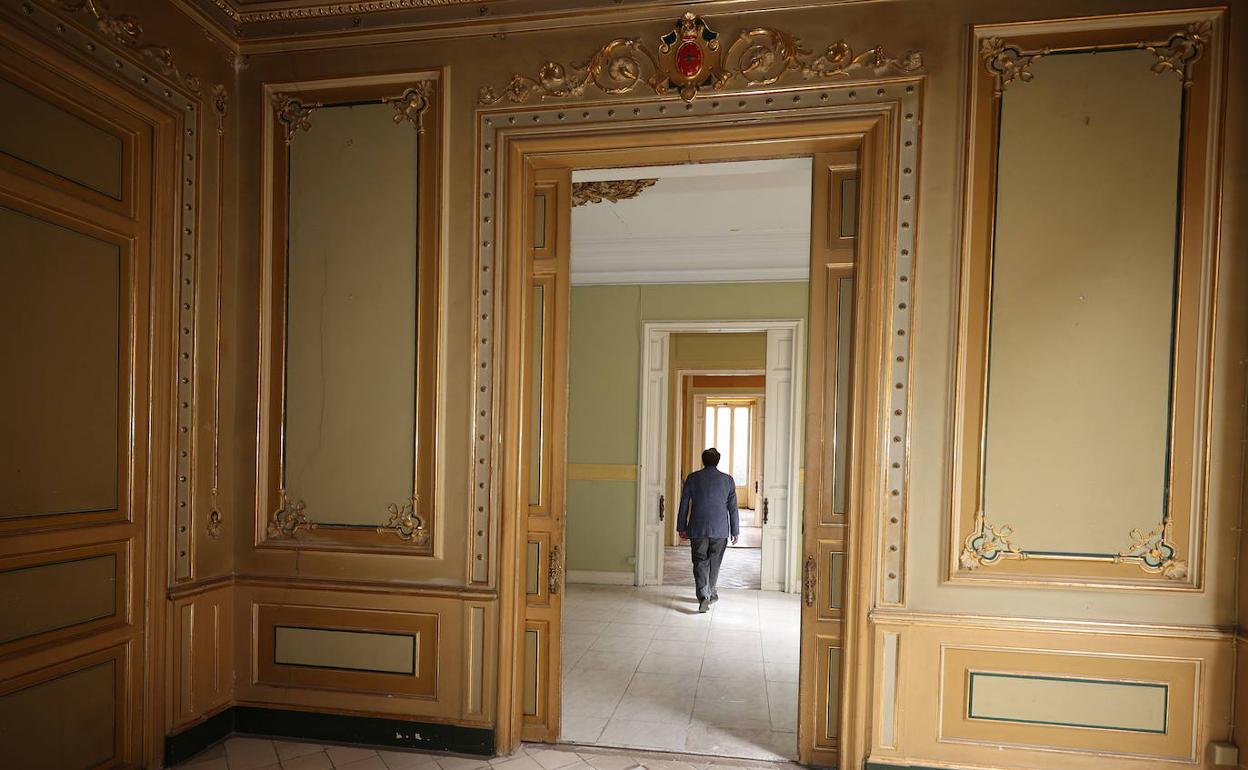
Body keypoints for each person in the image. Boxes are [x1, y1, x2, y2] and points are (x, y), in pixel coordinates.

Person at [676, 447, 740, 613]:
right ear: (718, 461)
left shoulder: (692, 478)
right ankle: (710, 592)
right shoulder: (728, 480)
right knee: (714, 563)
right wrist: (735, 530)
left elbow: (684, 504)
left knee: (700, 561)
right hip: (719, 528)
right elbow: (733, 508)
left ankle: (704, 595)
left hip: (698, 527)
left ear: (703, 461)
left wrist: (681, 526)